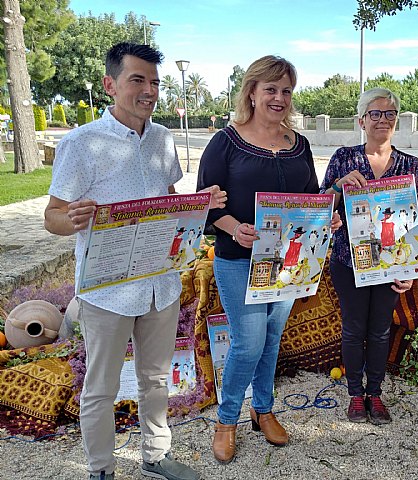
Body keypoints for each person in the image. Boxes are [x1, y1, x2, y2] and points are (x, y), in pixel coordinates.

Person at [44, 43, 225, 480]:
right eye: (137, 80)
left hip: (158, 281)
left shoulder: (162, 138)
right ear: (111, 85)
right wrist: (72, 218)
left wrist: (200, 205)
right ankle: (101, 470)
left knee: (157, 379)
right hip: (106, 288)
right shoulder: (81, 143)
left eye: (155, 82)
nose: (149, 90)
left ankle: (155, 456)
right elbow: (52, 217)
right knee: (100, 388)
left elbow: (167, 201)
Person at [197, 55, 341, 464]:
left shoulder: (299, 145)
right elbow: (206, 205)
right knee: (248, 344)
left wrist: (323, 217)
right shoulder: (225, 142)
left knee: (272, 340)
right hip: (238, 261)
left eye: (286, 91)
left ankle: (263, 409)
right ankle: (227, 420)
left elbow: (311, 198)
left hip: (289, 265)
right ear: (252, 93)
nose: (279, 98)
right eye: (271, 89)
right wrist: (232, 227)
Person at [320, 88, 418, 425]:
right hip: (348, 260)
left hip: (392, 262)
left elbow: (416, 219)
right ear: (361, 120)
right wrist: (337, 187)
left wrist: (410, 266)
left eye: (389, 114)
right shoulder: (344, 157)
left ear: (397, 121)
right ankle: (354, 394)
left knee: (380, 330)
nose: (382, 119)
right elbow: (320, 207)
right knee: (352, 329)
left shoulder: (410, 165)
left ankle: (375, 394)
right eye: (375, 114)